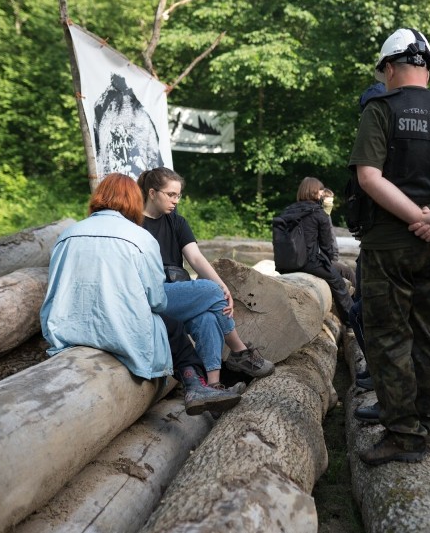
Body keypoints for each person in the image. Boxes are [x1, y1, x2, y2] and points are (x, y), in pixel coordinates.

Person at [349, 27, 430, 465]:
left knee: (390, 338)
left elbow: (370, 177)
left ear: (389, 67)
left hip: (390, 244)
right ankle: (425, 421)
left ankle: (404, 436)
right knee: (428, 333)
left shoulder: (381, 110)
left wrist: (417, 218)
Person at [40, 173, 240, 415]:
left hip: (67, 329)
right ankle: (197, 381)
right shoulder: (139, 237)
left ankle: (208, 382)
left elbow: (53, 291)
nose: (176, 200)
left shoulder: (67, 235)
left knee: (190, 317)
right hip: (117, 331)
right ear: (137, 199)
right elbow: (156, 299)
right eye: (172, 194)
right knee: (171, 323)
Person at [137, 168, 274, 391]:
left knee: (208, 318)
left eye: (178, 195)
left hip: (176, 294)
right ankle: (239, 352)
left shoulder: (177, 222)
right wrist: (218, 289)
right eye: (170, 195)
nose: (175, 200)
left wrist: (222, 287)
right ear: (152, 193)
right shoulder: (134, 224)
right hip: (151, 296)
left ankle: (212, 388)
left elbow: (196, 258)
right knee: (211, 291)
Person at [276, 176, 355, 324]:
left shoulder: (287, 211)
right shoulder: (319, 213)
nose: (322, 193)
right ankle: (354, 321)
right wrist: (328, 263)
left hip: (284, 264)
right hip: (308, 263)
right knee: (339, 281)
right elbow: (327, 247)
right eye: (320, 190)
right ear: (315, 192)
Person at [320, 186, 357, 288]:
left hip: (328, 258)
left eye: (331, 202)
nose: (330, 205)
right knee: (348, 272)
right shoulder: (321, 217)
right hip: (323, 260)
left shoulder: (326, 216)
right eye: (327, 202)